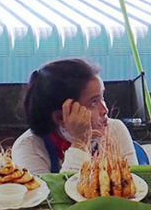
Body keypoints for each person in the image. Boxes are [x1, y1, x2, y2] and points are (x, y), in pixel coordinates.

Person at [11, 58, 140, 175]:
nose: (105, 109)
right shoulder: (28, 148)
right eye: (93, 102)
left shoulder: (115, 129)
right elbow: (56, 199)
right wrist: (80, 142)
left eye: (103, 97)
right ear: (61, 118)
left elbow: (133, 184)